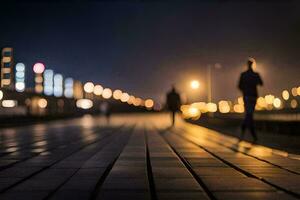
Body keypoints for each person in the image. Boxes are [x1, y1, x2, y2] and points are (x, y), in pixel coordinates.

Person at [238, 59, 263, 142]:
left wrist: (245, 90)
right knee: (250, 114)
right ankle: (253, 134)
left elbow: (239, 86)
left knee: (248, 114)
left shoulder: (243, 75)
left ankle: (243, 132)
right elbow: (261, 83)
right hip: (253, 97)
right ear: (253, 65)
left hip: (246, 96)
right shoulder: (255, 74)